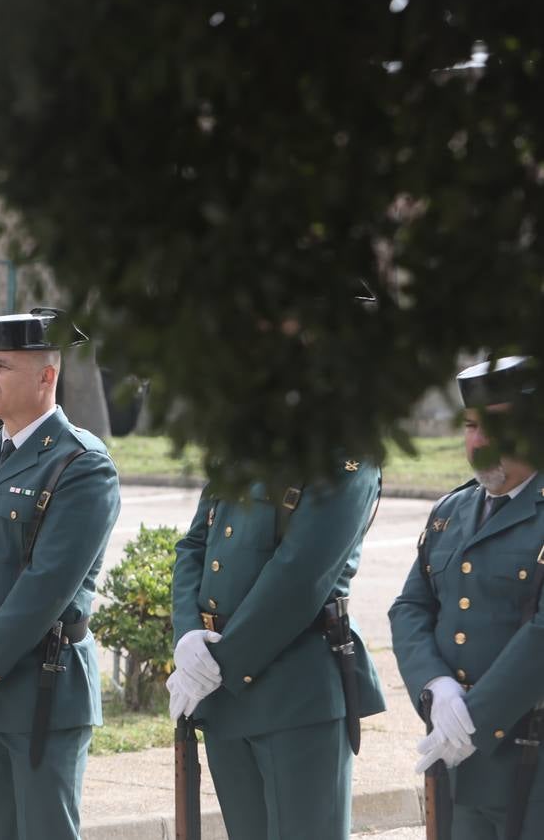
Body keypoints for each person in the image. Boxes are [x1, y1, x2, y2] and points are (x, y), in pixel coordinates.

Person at [0, 307, 120, 840]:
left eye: (2, 366)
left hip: (40, 688)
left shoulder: (82, 465)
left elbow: (44, 591)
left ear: (46, 376)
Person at [169, 426, 384, 837]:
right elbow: (194, 544)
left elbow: (298, 578)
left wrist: (216, 668)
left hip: (296, 695)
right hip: (224, 696)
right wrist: (187, 634)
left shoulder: (346, 458)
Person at [390, 356, 544, 838]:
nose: (478, 442)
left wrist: (473, 720)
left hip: (531, 760)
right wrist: (435, 686)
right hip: (460, 760)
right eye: (472, 426)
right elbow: (411, 606)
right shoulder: (452, 510)